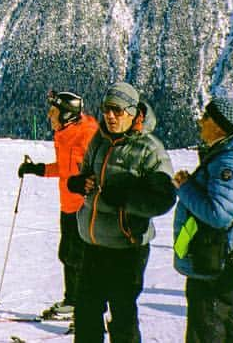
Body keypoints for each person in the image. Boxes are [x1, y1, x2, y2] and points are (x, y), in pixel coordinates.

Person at [67, 82, 176, 343]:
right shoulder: (100, 139)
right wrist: (79, 182)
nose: (110, 116)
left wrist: (126, 199)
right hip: (93, 244)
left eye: (117, 110)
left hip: (127, 249)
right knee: (85, 314)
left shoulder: (149, 149)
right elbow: (85, 173)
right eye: (106, 110)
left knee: (123, 318)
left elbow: (164, 198)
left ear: (132, 112)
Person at [172, 96, 233, 342]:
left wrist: (185, 187)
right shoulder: (228, 154)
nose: (200, 121)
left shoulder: (230, 160)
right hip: (220, 259)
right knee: (229, 329)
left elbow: (219, 214)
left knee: (206, 332)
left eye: (206, 117)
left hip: (213, 262)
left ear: (221, 126)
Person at [18, 89, 98, 325]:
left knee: (82, 259)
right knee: (68, 255)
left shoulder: (87, 135)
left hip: (84, 208)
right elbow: (65, 169)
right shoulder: (64, 135)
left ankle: (86, 308)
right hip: (68, 205)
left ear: (67, 114)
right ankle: (72, 301)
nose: (49, 116)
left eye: (54, 111)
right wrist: (38, 169)